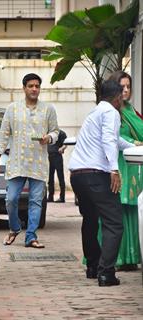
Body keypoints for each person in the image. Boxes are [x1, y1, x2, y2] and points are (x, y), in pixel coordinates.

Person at [69, 80, 134, 287]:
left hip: (78, 175)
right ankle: (106, 273)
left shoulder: (95, 113)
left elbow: (113, 139)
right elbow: (108, 140)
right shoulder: (112, 113)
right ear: (116, 98)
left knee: (90, 220)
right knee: (114, 223)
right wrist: (114, 169)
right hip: (97, 175)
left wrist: (133, 145)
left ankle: (93, 266)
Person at [0, 73, 59, 248]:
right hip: (17, 163)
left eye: (37, 86)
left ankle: (31, 236)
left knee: (36, 201)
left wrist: (49, 138)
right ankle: (15, 228)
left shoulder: (48, 109)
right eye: (31, 86)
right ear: (24, 88)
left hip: (38, 163)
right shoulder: (12, 109)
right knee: (11, 199)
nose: (34, 89)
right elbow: (3, 135)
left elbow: (56, 132)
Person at [107, 71, 143, 271]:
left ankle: (130, 258)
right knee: (118, 210)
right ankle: (117, 258)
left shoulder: (130, 109)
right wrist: (136, 143)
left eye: (128, 86)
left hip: (135, 165)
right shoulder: (113, 111)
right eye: (122, 87)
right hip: (120, 163)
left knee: (132, 209)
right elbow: (115, 138)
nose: (126, 90)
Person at [47, 129, 67, 203]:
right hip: (49, 156)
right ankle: (50, 196)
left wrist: (62, 148)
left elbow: (66, 143)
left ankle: (62, 197)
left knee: (60, 177)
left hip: (57, 156)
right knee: (50, 177)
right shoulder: (48, 132)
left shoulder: (61, 133)